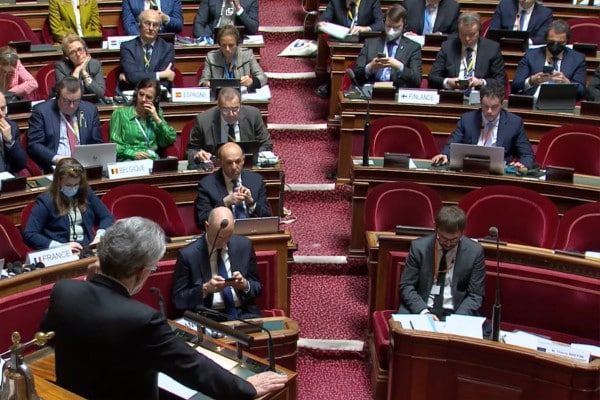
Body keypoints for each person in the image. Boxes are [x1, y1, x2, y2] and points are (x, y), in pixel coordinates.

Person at [40, 216, 288, 400]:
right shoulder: (141, 319)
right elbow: (192, 368)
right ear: (140, 272)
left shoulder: (64, 291)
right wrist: (247, 387)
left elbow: (52, 337)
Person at [398, 205, 485, 322]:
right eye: (444, 238)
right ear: (436, 229)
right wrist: (423, 312)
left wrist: (457, 319)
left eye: (454, 239)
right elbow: (406, 286)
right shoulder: (419, 248)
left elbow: (476, 294)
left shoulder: (474, 252)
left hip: (457, 312)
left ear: (462, 233)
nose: (448, 244)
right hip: (422, 309)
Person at [173, 206, 263, 319]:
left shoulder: (244, 246)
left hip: (244, 314)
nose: (224, 241)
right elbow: (179, 300)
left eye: (228, 236)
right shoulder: (188, 255)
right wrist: (205, 289)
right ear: (207, 226)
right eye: (219, 237)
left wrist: (245, 284)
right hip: (209, 317)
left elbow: (258, 288)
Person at [431, 82, 535, 169]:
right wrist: (445, 154)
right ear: (480, 103)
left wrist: (522, 164)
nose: (489, 111)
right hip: (470, 169)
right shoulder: (467, 120)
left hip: (500, 172)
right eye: (486, 106)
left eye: (494, 107)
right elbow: (452, 144)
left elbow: (527, 155)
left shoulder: (514, 122)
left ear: (502, 104)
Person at [23, 157, 114, 252]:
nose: (73, 188)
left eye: (76, 185)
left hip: (88, 246)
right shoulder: (46, 201)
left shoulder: (86, 193)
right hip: (62, 249)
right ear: (58, 182)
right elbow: (30, 234)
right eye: (68, 185)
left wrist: (99, 236)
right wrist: (59, 247)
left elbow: (107, 217)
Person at [27, 76, 103, 173]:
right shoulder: (42, 112)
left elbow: (97, 142)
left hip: (83, 167)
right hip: (56, 167)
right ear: (57, 97)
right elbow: (34, 145)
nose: (71, 106)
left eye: (76, 101)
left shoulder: (90, 110)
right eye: (66, 101)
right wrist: (57, 159)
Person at [315, 0, 385, 98]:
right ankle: (333, 86)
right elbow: (322, 21)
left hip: (364, 45)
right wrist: (321, 24)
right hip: (341, 45)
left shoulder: (371, 1)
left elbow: (381, 25)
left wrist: (366, 28)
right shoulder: (336, 2)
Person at [187, 87, 272, 165]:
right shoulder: (203, 121)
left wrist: (253, 158)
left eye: (235, 109)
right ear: (219, 107)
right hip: (216, 169)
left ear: (240, 105)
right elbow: (191, 150)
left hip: (246, 166)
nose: (231, 114)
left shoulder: (253, 115)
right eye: (225, 110)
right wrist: (197, 155)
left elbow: (266, 143)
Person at [195, 142, 271, 227]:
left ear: (243, 160)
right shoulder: (207, 185)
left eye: (238, 161)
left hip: (253, 231)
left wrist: (251, 203)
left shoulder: (256, 180)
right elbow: (202, 221)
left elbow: (267, 216)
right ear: (220, 162)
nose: (234, 167)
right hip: (224, 235)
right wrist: (224, 203)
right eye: (229, 163)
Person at [428, 12, 505, 91]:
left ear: (479, 32)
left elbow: (500, 81)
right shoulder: (447, 47)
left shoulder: (492, 48)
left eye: (472, 34)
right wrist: (448, 82)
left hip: (480, 96)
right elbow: (433, 78)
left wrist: (481, 82)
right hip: (453, 95)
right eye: (463, 34)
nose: (467, 38)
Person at [511, 20, 587, 100]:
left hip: (563, 102)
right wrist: (531, 81)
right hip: (533, 101)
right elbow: (515, 86)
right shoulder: (530, 55)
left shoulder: (577, 59)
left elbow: (582, 92)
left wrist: (568, 84)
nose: (555, 45)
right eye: (551, 42)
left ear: (567, 41)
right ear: (545, 39)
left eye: (560, 43)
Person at [353, 4, 422, 88]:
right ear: (384, 22)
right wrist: (370, 67)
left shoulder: (413, 47)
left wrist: (399, 66)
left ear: (404, 25)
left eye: (396, 27)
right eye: (388, 26)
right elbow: (354, 76)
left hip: (397, 93)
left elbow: (417, 80)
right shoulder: (370, 43)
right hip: (371, 91)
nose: (391, 31)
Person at [109, 78, 176, 161]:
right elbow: (114, 145)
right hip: (128, 160)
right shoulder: (120, 114)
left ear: (155, 99)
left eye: (149, 97)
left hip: (151, 160)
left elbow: (169, 140)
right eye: (141, 94)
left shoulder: (156, 114)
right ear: (136, 93)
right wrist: (132, 154)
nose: (143, 99)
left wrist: (157, 119)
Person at [120, 9, 176, 92]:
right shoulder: (127, 47)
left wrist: (135, 78)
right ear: (139, 24)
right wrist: (160, 75)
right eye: (147, 23)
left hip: (158, 96)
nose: (151, 28)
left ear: (159, 28)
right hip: (132, 96)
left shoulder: (167, 48)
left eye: (155, 25)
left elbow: (165, 82)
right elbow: (132, 76)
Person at [198, 25, 267, 91]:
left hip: (240, 96)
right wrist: (207, 84)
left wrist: (251, 81)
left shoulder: (247, 54)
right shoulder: (211, 57)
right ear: (219, 44)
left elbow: (263, 78)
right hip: (219, 96)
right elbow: (202, 82)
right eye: (224, 45)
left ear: (237, 44)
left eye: (231, 45)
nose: (227, 49)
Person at [488, 0, 553, 45]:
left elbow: (541, 38)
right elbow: (493, 30)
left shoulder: (545, 13)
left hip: (528, 52)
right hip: (504, 47)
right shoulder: (504, 6)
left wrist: (523, 42)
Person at [193, 0, 259, 39]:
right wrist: (205, 40)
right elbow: (198, 23)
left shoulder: (250, 1)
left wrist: (239, 9)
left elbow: (253, 29)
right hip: (212, 39)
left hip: (238, 42)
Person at [0, 92, 26, 174]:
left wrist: (9, 141)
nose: (0, 113)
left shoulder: (12, 127)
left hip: (9, 181)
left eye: (3, 108)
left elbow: (22, 163)